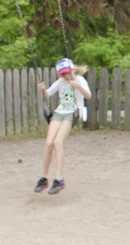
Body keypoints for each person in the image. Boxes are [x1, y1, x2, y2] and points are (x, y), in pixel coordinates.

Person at [35, 58, 91, 195]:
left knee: (58, 142)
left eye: (67, 73)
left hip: (73, 112)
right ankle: (43, 178)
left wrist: (77, 86)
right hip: (60, 112)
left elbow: (88, 96)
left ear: (72, 70)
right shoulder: (60, 82)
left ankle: (59, 179)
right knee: (48, 143)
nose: (66, 76)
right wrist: (42, 90)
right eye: (63, 74)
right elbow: (47, 94)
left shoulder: (79, 80)